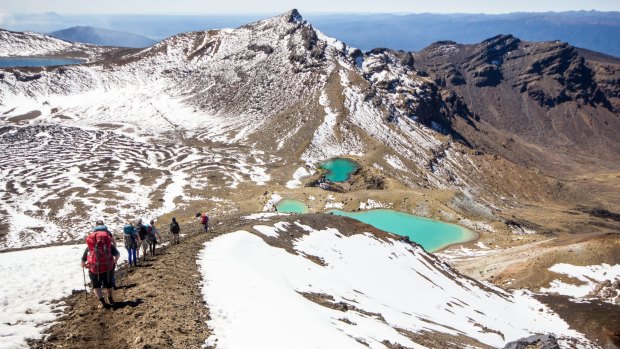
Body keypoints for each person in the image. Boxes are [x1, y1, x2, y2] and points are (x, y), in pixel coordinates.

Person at [81, 229, 120, 309]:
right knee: (108, 283)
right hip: (108, 267)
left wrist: (83, 265)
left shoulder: (90, 247)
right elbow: (117, 255)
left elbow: (83, 261)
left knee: (96, 285)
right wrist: (115, 261)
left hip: (94, 269)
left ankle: (102, 302)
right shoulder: (108, 245)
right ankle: (110, 298)